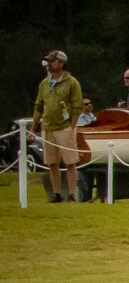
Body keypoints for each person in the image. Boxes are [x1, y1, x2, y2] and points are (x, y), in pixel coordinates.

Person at [31, 50, 83, 203]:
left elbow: (76, 105)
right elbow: (39, 106)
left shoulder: (71, 82)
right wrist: (34, 127)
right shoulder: (44, 83)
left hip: (64, 127)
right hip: (48, 127)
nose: (48, 64)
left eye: (52, 61)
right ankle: (57, 194)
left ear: (61, 63)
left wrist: (71, 126)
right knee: (52, 163)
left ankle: (72, 194)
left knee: (70, 162)